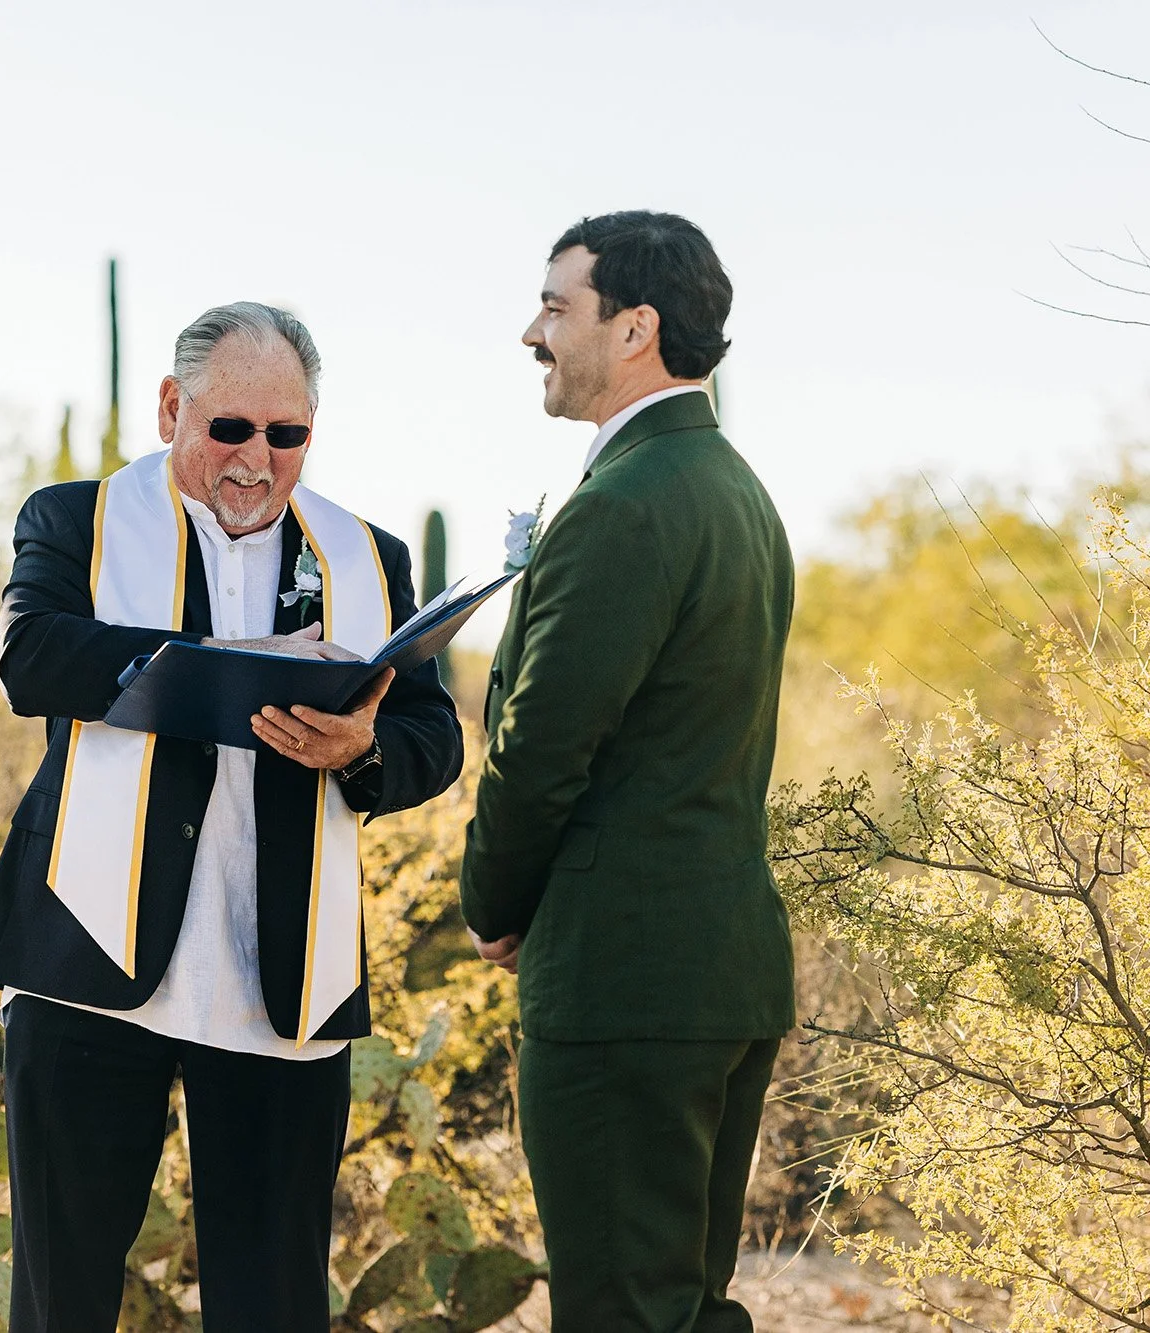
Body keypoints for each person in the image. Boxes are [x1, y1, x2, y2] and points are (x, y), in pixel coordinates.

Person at [0, 302, 464, 1331]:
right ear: (169, 409)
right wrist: (229, 672)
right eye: (229, 428)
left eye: (287, 435)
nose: (256, 461)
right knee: (61, 1302)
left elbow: (433, 736)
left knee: (274, 1305)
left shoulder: (368, 557)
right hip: (88, 964)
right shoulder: (73, 519)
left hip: (282, 979)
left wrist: (363, 749)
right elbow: (31, 658)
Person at [459, 212, 797, 1332]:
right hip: (719, 971)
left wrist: (494, 903)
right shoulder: (735, 492)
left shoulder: (623, 505)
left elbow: (540, 749)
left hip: (620, 984)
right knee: (683, 1311)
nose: (531, 332)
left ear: (635, 327)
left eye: (556, 306)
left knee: (620, 1314)